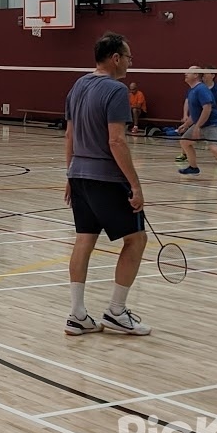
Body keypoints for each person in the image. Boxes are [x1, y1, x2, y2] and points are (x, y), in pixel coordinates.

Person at [63, 32, 150, 337]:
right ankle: (116, 311)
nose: (129, 62)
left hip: (79, 175)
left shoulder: (77, 86)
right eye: (128, 56)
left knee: (85, 239)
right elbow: (116, 140)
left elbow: (69, 135)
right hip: (105, 178)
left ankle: (77, 315)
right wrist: (135, 186)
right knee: (136, 240)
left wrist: (70, 174)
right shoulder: (115, 90)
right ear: (115, 58)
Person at [176, 67, 217, 175]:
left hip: (214, 124)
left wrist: (197, 126)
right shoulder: (191, 90)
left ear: (196, 75)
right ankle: (193, 168)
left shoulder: (201, 89)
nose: (185, 73)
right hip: (203, 123)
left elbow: (207, 108)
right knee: (185, 141)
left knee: (214, 148)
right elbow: (195, 113)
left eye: (189, 72)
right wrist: (186, 125)